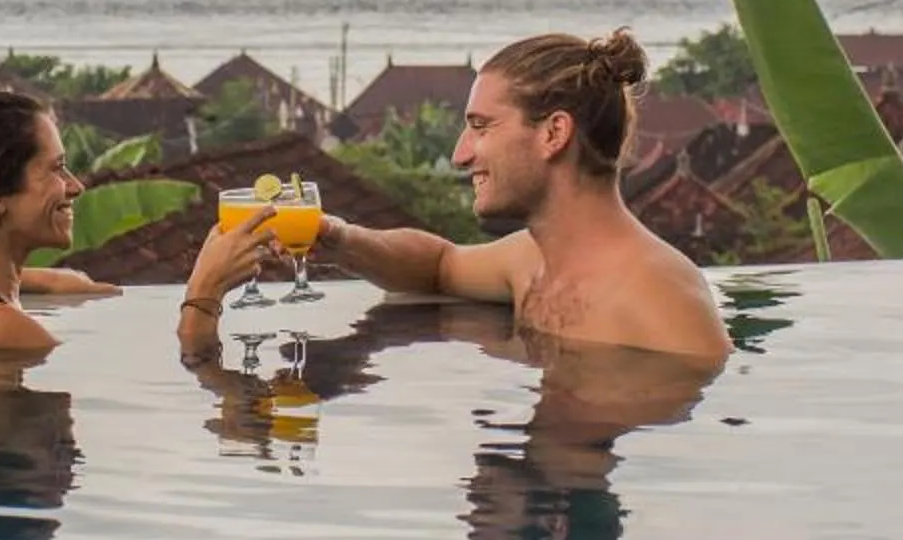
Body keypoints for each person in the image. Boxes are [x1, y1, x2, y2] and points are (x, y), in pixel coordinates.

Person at [312, 30, 729, 362]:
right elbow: (439, 264)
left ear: (553, 134)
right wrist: (337, 239)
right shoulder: (530, 260)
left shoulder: (661, 300)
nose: (460, 155)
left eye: (481, 127)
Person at [0, 89, 277, 365]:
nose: (76, 187)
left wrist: (45, 280)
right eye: (57, 169)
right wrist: (205, 293)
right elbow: (185, 376)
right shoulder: (6, 333)